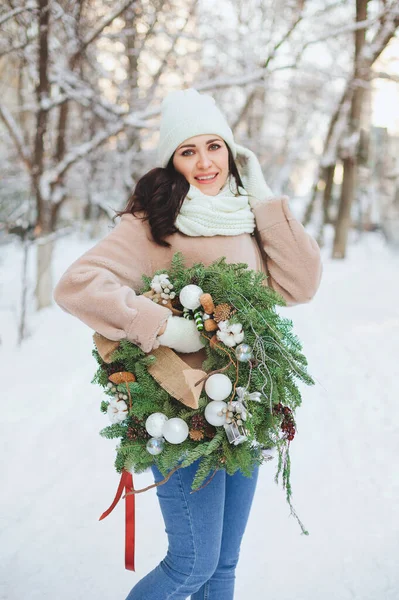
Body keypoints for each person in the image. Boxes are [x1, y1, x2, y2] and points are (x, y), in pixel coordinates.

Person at [54, 87, 323, 599]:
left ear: (231, 151)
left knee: (222, 567)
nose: (205, 162)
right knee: (192, 564)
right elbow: (77, 283)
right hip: (182, 412)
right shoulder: (153, 222)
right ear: (172, 161)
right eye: (188, 150)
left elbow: (302, 284)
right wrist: (160, 325)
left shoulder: (246, 217)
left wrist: (266, 201)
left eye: (214, 146)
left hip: (243, 411)